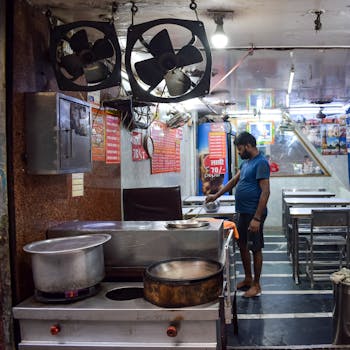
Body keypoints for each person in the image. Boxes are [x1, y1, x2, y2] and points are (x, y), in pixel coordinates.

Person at [205, 131, 270, 298]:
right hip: (242, 212)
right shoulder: (246, 163)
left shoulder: (261, 163)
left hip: (253, 214)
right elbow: (234, 181)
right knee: (242, 244)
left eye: (240, 149)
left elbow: (265, 192)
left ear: (248, 146)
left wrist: (257, 218)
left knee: (255, 248)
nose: (239, 153)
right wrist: (215, 195)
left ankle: (257, 285)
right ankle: (248, 279)